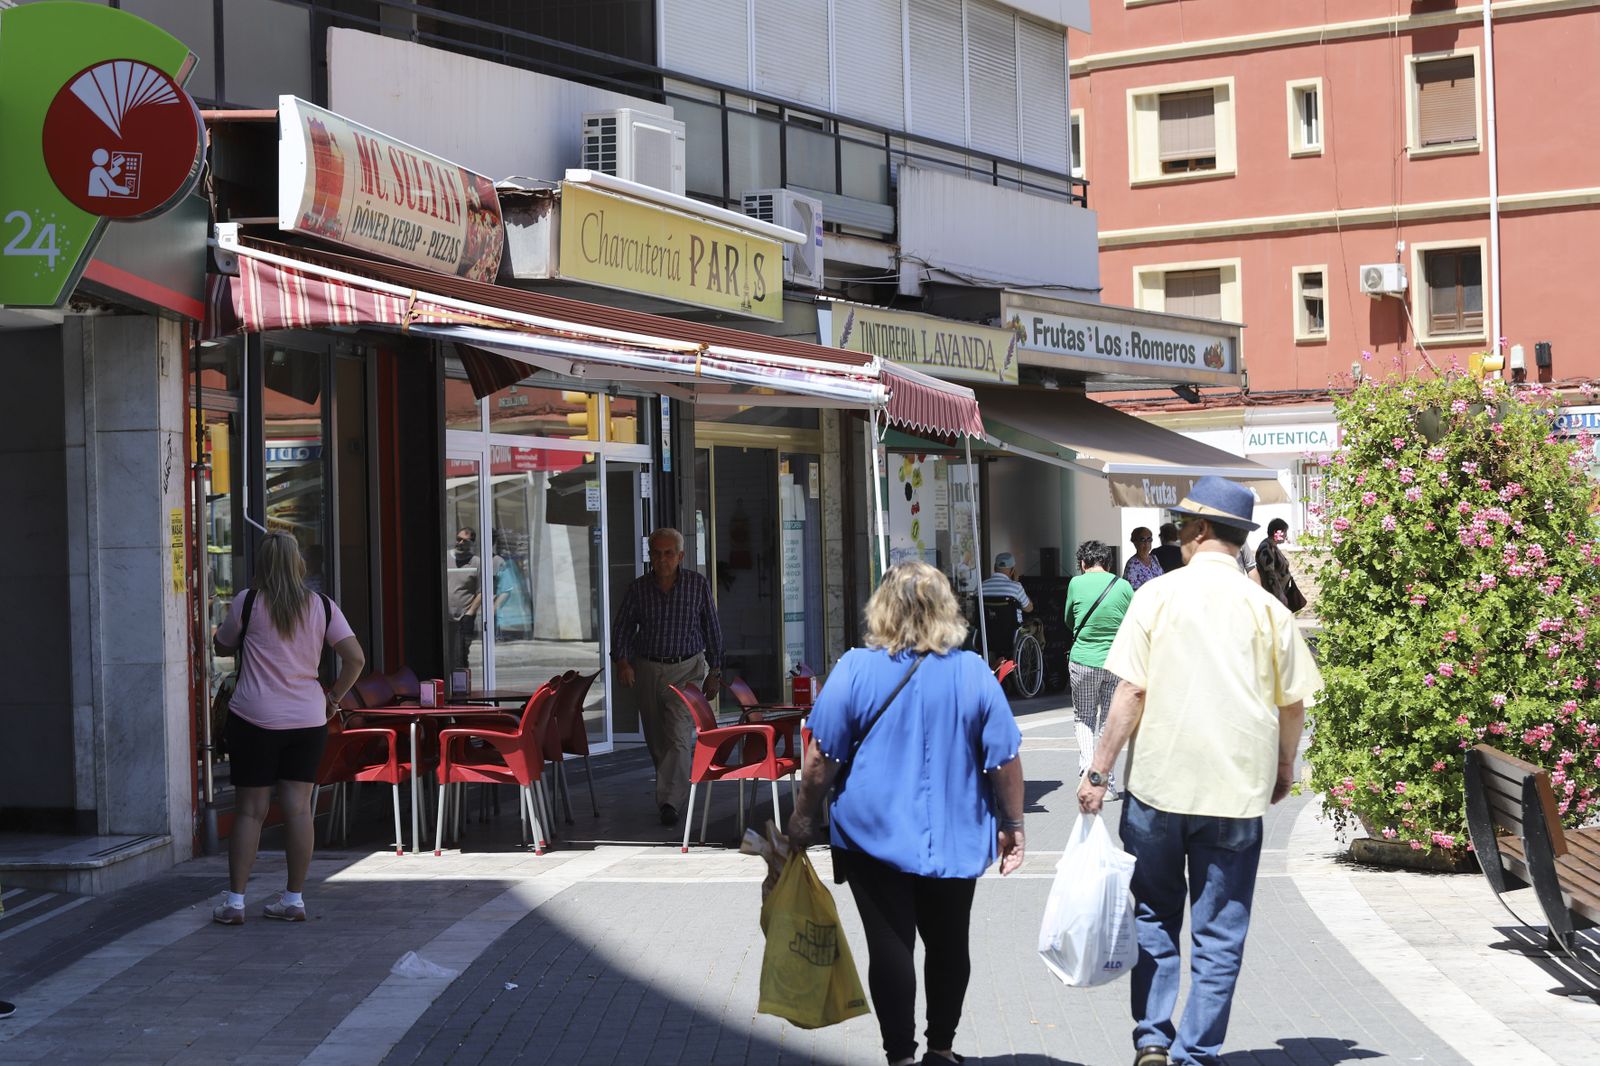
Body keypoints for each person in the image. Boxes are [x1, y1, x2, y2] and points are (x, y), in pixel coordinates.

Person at [1077, 477, 1321, 1066]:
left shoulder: (1156, 598)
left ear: (1201, 530)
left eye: (1184, 526)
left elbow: (1131, 691)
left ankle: (1154, 1039)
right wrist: (1284, 767)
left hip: (1158, 788)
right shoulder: (1268, 610)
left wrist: (1098, 772)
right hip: (1235, 792)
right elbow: (1293, 705)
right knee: (1220, 932)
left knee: (1156, 917)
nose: (1179, 536)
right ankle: (1197, 1052)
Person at [787, 561, 1025, 1066]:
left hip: (872, 835)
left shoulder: (854, 667)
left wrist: (804, 818)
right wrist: (1014, 824)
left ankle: (900, 1056)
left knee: (890, 948)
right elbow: (1004, 758)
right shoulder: (973, 671)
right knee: (948, 944)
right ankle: (941, 1048)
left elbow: (820, 758)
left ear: (883, 610)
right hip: (957, 834)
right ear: (946, 610)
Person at [211, 532, 364, 925]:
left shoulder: (247, 602)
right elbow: (355, 659)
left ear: (262, 565)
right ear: (300, 564)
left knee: (250, 812)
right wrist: (333, 699)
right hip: (307, 721)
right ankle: (293, 899)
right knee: (298, 810)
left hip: (254, 719)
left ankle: (234, 903)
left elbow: (223, 644)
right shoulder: (323, 607)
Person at [611, 527, 725, 826]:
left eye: (668, 554)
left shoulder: (696, 585)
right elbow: (622, 627)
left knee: (677, 735)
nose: (662, 560)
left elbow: (712, 629)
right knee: (657, 739)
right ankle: (670, 791)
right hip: (647, 668)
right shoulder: (638, 589)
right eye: (656, 554)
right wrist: (622, 662)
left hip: (687, 669)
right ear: (650, 556)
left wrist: (715, 671)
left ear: (681, 556)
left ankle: (670, 802)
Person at [1063, 540, 1133, 795]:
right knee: (1107, 720)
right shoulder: (1123, 586)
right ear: (1108, 562)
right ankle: (1108, 782)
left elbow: (1069, 619)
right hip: (1116, 662)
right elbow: (1132, 622)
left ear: (1083, 563)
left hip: (1083, 660)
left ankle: (1088, 769)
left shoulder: (1075, 583)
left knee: (1084, 717)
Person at [446, 527, 481, 670]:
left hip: (464, 618)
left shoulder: (476, 563)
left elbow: (482, 591)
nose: (460, 542)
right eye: (458, 539)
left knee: (460, 657)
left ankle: (460, 690)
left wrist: (470, 613)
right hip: (445, 618)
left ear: (472, 543)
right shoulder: (445, 558)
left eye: (465, 541)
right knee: (445, 656)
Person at [1255, 518, 1304, 613]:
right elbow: (1269, 573)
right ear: (1276, 532)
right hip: (1273, 599)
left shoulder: (1273, 546)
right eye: (1285, 532)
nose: (1286, 535)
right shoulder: (1266, 547)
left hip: (1279, 596)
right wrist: (1279, 595)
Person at [980, 551, 1033, 623]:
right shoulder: (1016, 587)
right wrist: (1016, 582)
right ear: (1013, 570)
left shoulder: (980, 587)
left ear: (994, 567)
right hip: (1013, 632)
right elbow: (1029, 608)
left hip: (986, 632)